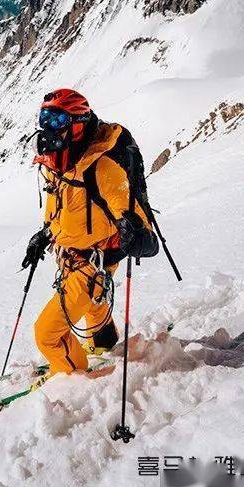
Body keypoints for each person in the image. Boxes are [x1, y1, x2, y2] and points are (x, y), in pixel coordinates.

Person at [22, 88, 157, 376]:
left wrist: (137, 234)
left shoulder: (102, 168)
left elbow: (139, 224)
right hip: (70, 257)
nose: (48, 127)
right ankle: (103, 341)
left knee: (47, 334)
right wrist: (45, 235)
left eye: (57, 120)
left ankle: (71, 378)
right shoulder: (57, 164)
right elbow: (60, 210)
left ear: (78, 124)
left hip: (92, 263)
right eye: (45, 117)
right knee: (95, 303)